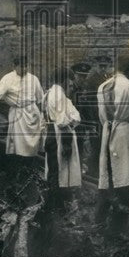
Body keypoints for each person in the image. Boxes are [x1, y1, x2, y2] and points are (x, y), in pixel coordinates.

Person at [96, 56, 129, 234]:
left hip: (108, 130)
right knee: (125, 179)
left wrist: (108, 123)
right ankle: (118, 226)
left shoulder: (102, 87)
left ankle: (99, 223)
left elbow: (102, 115)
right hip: (125, 131)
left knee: (108, 177)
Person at [0, 56, 45, 159]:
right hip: (18, 115)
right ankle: (19, 160)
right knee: (19, 144)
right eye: (21, 67)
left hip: (32, 113)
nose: (24, 69)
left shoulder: (33, 79)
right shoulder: (8, 78)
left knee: (35, 142)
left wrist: (42, 114)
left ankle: (34, 161)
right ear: (14, 66)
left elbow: (40, 98)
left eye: (26, 66)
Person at [42, 76, 82, 206]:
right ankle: (57, 203)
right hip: (59, 135)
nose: (71, 85)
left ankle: (53, 202)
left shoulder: (48, 94)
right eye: (69, 82)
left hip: (50, 132)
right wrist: (66, 143)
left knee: (54, 167)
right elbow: (62, 121)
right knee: (59, 169)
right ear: (64, 80)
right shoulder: (59, 95)